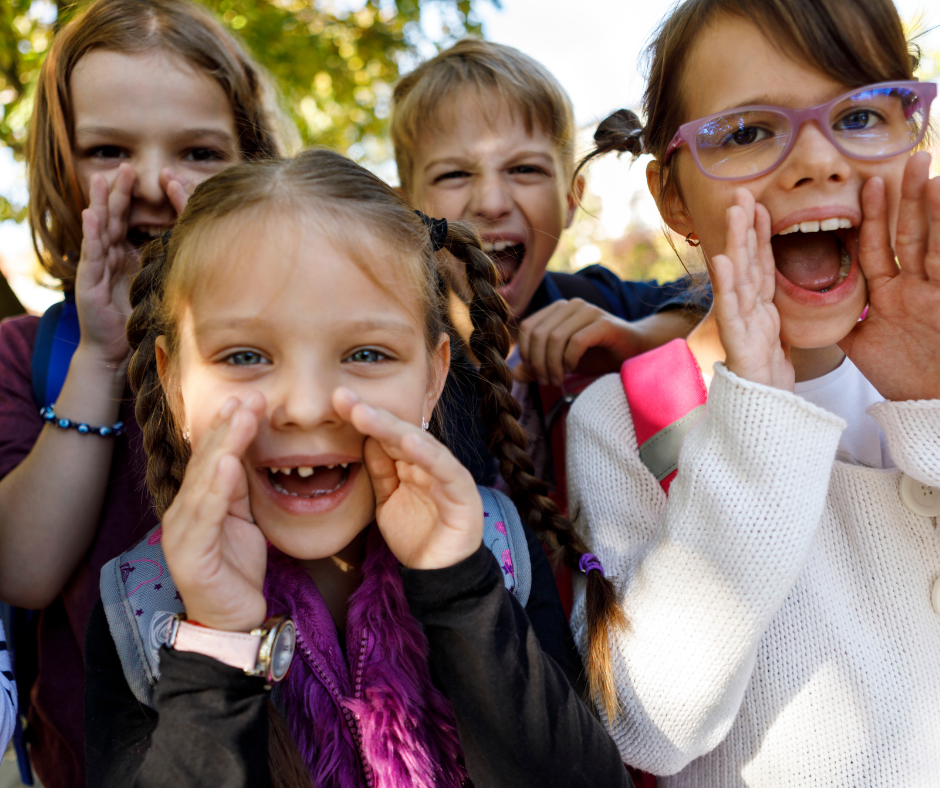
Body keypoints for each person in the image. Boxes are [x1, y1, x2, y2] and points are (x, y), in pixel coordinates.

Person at [83, 149, 632, 788]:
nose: (308, 407)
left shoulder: (498, 547)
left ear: (433, 379)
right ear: (175, 387)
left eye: (366, 353)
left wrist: (461, 591)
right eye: (245, 355)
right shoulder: (142, 606)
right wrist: (216, 644)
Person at [566, 0, 940, 784]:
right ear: (674, 199)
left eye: (863, 115)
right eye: (747, 133)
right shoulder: (633, 419)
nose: (817, 161)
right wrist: (758, 419)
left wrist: (931, 407)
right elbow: (644, 725)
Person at [0, 1, 287, 783]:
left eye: (198, 151)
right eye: (107, 150)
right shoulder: (29, 354)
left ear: (252, 162)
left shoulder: (308, 338)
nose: (160, 187)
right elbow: (23, 566)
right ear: (60, 169)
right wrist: (100, 353)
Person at [391, 39, 710, 493]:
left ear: (570, 199)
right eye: (454, 175)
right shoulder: (392, 352)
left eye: (524, 169)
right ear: (409, 214)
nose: (492, 202)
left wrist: (631, 339)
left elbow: (710, 302)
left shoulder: (594, 301)